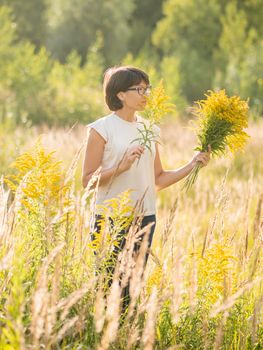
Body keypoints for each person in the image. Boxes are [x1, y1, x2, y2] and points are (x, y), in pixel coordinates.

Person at [82, 65, 210, 310]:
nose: (145, 94)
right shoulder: (100, 128)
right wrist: (121, 165)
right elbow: (87, 180)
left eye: (146, 89)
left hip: (144, 218)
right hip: (110, 217)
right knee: (108, 287)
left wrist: (192, 165)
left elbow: (158, 179)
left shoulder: (149, 130)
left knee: (132, 288)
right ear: (120, 94)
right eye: (139, 89)